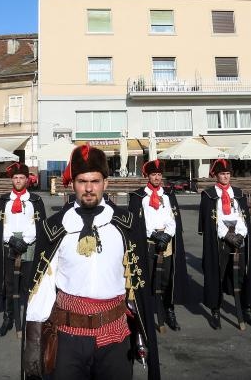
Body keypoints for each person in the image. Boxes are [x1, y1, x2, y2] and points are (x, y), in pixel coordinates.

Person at [23, 145, 160, 380]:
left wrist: (141, 333)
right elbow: (42, 287)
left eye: (95, 181)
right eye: (82, 181)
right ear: (73, 183)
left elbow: (137, 286)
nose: (88, 188)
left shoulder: (126, 223)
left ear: (105, 183)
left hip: (115, 336)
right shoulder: (54, 227)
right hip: (67, 336)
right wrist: (34, 342)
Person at [198, 158, 251, 330]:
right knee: (217, 275)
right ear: (216, 175)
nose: (225, 177)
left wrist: (239, 234)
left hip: (239, 239)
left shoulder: (238, 193)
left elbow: (242, 217)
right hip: (219, 241)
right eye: (222, 174)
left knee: (242, 275)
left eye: (227, 173)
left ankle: (246, 309)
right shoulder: (209, 195)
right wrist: (226, 235)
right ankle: (215, 311)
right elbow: (211, 221)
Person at [128, 159, 187, 332]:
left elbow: (172, 218)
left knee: (167, 279)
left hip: (166, 241)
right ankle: (146, 313)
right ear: (148, 176)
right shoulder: (139, 196)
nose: (157, 178)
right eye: (153, 174)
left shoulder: (167, 195)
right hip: (148, 243)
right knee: (148, 279)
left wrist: (167, 234)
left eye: (159, 174)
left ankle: (169, 310)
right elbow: (136, 223)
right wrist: (153, 234)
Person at [0, 162, 46, 337]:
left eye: (21, 177)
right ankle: (8, 319)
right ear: (11, 179)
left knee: (29, 284)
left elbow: (39, 224)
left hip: (29, 245)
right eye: (15, 177)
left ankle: (29, 320)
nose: (18, 180)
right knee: (9, 284)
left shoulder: (35, 200)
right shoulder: (3, 201)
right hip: (9, 244)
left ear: (27, 179)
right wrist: (11, 239)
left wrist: (26, 239)